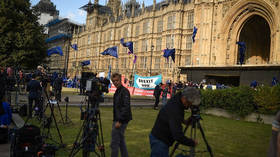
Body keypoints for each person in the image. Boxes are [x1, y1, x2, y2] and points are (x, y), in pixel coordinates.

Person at [149, 87, 200, 157]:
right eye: (189, 102)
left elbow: (172, 117)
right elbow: (178, 136)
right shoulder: (175, 109)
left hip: (160, 138)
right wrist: (192, 143)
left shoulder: (178, 99)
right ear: (184, 98)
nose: (190, 105)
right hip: (160, 140)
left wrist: (184, 121)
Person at [111, 73, 132, 157]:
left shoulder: (124, 91)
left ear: (121, 80)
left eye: (117, 80)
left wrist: (119, 121)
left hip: (121, 120)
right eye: (114, 81)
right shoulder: (118, 91)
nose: (115, 82)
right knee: (121, 141)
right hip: (118, 118)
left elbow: (126, 107)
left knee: (114, 143)